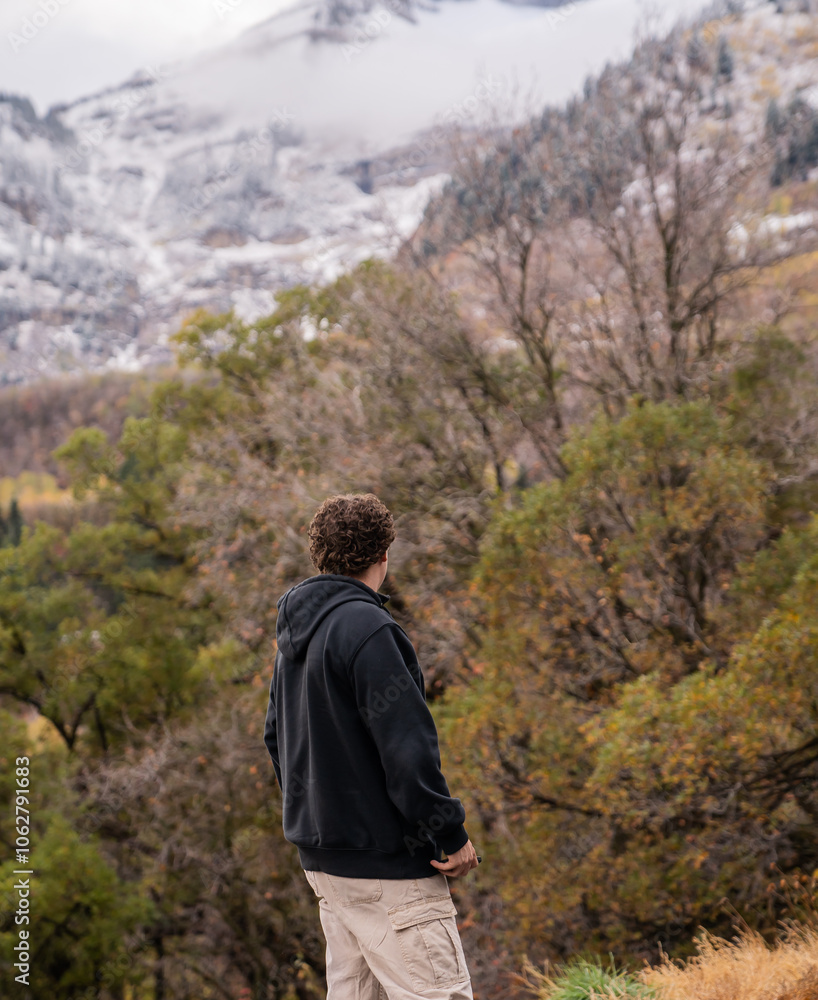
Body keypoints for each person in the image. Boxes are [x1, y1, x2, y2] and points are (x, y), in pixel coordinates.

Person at [264, 493, 478, 999]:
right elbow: (407, 751)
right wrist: (448, 832)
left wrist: (322, 819)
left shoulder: (294, 640)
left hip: (327, 868)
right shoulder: (370, 630)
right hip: (391, 871)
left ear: (322, 556)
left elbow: (277, 738)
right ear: (384, 555)